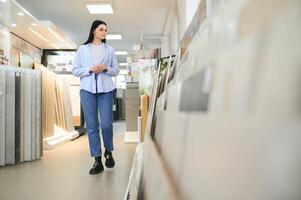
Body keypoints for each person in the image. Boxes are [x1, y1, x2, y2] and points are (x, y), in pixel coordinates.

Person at [72, 20, 119, 174]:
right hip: (87, 90)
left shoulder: (109, 50)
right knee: (92, 126)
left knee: (106, 124)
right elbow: (75, 70)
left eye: (106, 29)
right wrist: (90, 69)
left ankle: (108, 151)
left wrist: (105, 68)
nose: (104, 32)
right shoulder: (82, 49)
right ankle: (97, 160)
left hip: (106, 90)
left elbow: (115, 70)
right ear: (94, 31)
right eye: (101, 29)